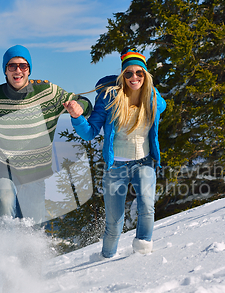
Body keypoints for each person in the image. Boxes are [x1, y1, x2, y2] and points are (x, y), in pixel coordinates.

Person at [0, 45, 91, 223]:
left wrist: (79, 108)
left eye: (23, 66)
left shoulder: (48, 93)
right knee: (6, 204)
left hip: (35, 171)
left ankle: (24, 250)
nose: (18, 70)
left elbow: (85, 103)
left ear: (29, 70)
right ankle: (2, 249)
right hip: (2, 165)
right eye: (12, 66)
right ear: (5, 70)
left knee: (31, 224)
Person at [64, 49, 166, 258]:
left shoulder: (153, 98)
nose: (134, 77)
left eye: (139, 73)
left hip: (145, 162)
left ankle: (143, 250)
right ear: (122, 76)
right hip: (116, 167)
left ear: (146, 75)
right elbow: (89, 132)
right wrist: (77, 116)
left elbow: (162, 105)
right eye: (128, 73)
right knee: (115, 223)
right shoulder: (109, 98)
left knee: (147, 206)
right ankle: (106, 257)